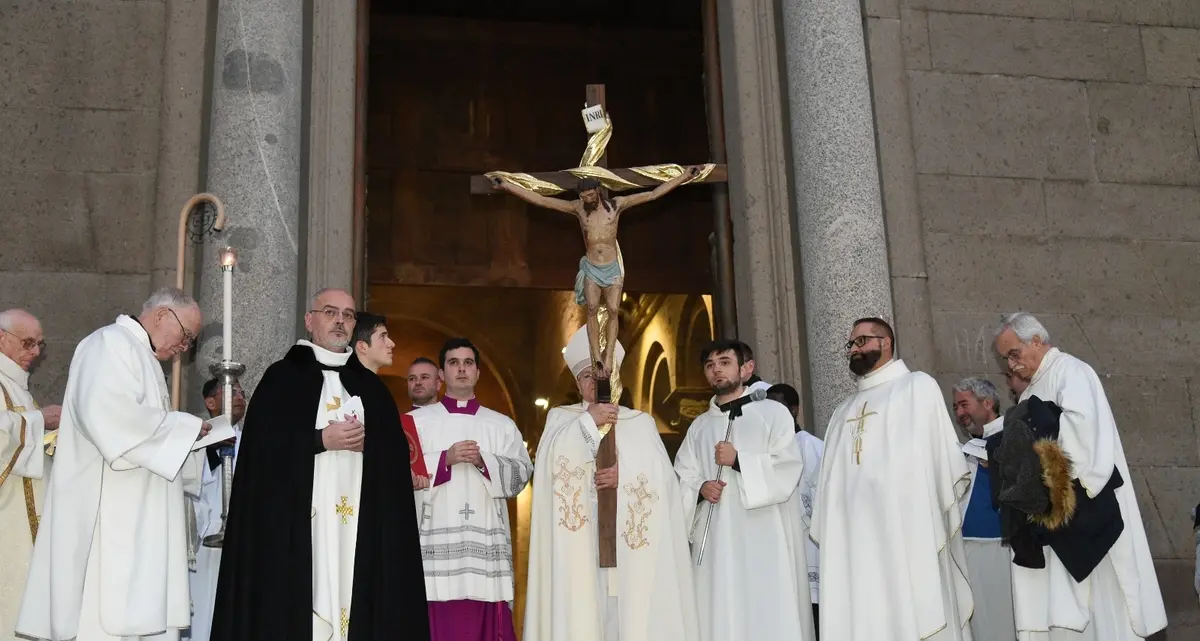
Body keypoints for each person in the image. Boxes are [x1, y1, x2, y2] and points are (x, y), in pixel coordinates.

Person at [209, 288, 429, 641]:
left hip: (360, 531)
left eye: (348, 314)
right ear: (310, 320)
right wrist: (318, 440)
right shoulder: (281, 380)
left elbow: (391, 464)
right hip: (298, 534)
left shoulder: (372, 390)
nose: (340, 320)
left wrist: (369, 447)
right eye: (330, 312)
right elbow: (261, 454)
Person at [17, 288, 213, 641]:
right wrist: (182, 427)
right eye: (186, 336)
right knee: (105, 615)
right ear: (162, 315)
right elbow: (111, 419)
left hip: (141, 515)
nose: (184, 347)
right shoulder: (109, 344)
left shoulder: (142, 356)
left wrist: (192, 440)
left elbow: (152, 437)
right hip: (110, 516)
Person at [993, 312, 1166, 641]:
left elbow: (1084, 434)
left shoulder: (1071, 371)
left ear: (1038, 341)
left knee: (1100, 606)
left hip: (1085, 513)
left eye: (1014, 354)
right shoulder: (1031, 390)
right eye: (1006, 359)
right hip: (1050, 519)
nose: (1011, 366)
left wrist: (1034, 448)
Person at [524, 325, 698, 641]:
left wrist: (625, 475)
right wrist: (590, 421)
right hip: (581, 547)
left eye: (603, 375)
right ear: (578, 384)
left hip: (631, 552)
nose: (597, 383)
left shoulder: (641, 424)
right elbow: (549, 467)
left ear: (617, 379)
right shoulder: (561, 420)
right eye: (589, 376)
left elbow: (664, 483)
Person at [813, 317, 972, 641]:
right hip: (854, 538)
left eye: (862, 341)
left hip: (905, 531)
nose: (854, 350)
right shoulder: (843, 410)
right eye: (851, 344)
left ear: (886, 342)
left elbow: (933, 461)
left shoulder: (916, 386)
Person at [492, 169, 699, 378]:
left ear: (598, 191)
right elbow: (541, 200)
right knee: (591, 309)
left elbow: (652, 195)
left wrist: (685, 177)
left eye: (590, 195)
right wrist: (508, 186)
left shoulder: (616, 205)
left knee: (612, 310)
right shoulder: (578, 208)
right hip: (592, 266)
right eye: (583, 197)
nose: (587, 199)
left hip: (611, 268)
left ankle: (608, 356)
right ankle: (596, 358)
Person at [674, 339, 814, 641]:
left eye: (724, 362)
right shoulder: (698, 427)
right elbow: (682, 477)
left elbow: (788, 467)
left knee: (766, 611)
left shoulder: (773, 413)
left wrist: (739, 460)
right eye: (710, 366)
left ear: (746, 368)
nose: (716, 371)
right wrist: (700, 489)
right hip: (716, 543)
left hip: (763, 535)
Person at [411, 337, 533, 641]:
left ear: (478, 373)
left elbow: (522, 473)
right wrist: (445, 459)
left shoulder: (501, 425)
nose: (462, 369)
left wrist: (485, 461)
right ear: (441, 375)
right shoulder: (416, 422)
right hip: (433, 549)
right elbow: (398, 472)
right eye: (454, 363)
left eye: (468, 363)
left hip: (485, 554)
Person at [0, 309, 60, 638]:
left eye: (39, 344)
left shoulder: (17, 387)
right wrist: (41, 420)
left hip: (28, 522)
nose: (35, 352)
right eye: (28, 343)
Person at [951, 377, 1015, 641]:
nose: (959, 413)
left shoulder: (1012, 436)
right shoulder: (966, 447)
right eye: (955, 407)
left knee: (1000, 625)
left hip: (998, 546)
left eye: (964, 404)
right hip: (965, 547)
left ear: (987, 403)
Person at [187, 378, 246, 641]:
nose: (239, 395)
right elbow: (189, 481)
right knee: (203, 611)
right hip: (205, 538)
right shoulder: (195, 438)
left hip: (242, 538)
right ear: (210, 402)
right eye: (231, 391)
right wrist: (212, 453)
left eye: (242, 391)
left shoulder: (253, 439)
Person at [765, 382, 823, 638]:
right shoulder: (761, 453)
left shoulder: (812, 448)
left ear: (794, 409)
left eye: (777, 406)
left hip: (808, 553)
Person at [351, 314, 429, 491]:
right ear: (362, 346)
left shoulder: (377, 389)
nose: (391, 343)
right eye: (382, 336)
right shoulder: (353, 388)